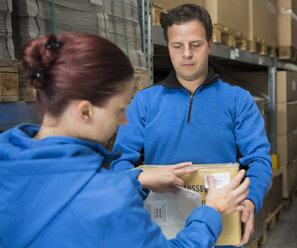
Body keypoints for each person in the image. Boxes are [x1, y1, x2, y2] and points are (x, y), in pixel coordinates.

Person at [0, 32, 250, 248]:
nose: (123, 121)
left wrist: (137, 178)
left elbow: (65, 188)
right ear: (85, 111)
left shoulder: (7, 162)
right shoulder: (113, 202)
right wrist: (212, 211)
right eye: (119, 109)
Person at [110, 4, 272, 247]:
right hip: (162, 233)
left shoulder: (238, 100)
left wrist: (250, 202)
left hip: (223, 227)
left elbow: (259, 161)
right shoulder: (144, 103)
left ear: (210, 43)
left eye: (195, 45)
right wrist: (145, 177)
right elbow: (120, 165)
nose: (186, 53)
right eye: (177, 46)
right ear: (169, 47)